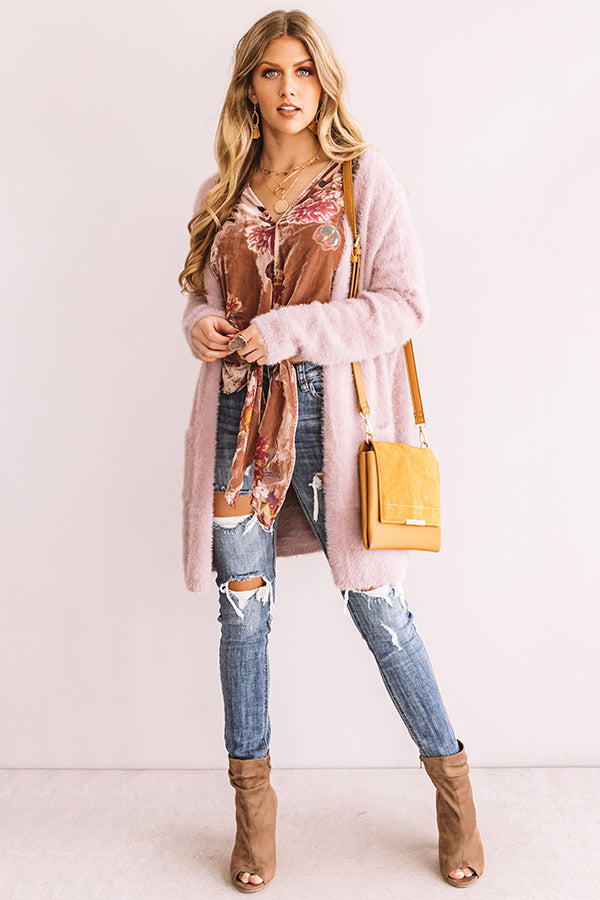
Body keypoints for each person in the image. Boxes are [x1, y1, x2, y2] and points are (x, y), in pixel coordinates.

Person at [178, 8, 484, 893]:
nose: (290, 88)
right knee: (242, 614)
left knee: (379, 607)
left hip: (333, 420)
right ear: (250, 87)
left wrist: (286, 330)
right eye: (272, 72)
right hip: (239, 421)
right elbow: (201, 298)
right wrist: (201, 326)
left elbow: (403, 305)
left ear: (324, 82)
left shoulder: (361, 176)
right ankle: (253, 815)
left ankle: (454, 792)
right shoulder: (220, 188)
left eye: (304, 71)